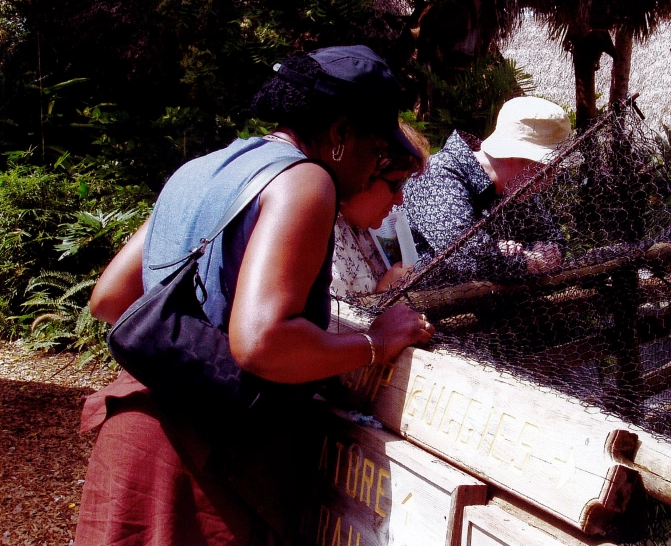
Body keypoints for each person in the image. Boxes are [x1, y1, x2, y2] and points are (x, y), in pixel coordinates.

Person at [75, 45, 436, 546]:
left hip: (135, 432)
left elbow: (111, 299)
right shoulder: (306, 180)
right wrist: (376, 343)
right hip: (203, 463)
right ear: (339, 135)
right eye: (377, 149)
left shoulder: (204, 167)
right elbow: (263, 342)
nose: (376, 165)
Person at [402, 96, 571, 282]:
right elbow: (466, 259)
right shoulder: (437, 175)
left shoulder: (517, 186)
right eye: (547, 168)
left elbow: (554, 240)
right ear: (513, 156)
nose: (549, 182)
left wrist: (526, 253)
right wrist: (528, 261)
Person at [331, 122, 429, 297]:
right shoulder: (324, 233)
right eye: (396, 185)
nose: (400, 199)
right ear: (365, 174)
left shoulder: (369, 228)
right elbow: (332, 313)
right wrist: (384, 296)